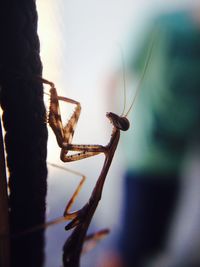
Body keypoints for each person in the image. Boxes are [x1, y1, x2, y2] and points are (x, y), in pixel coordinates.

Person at [98, 7, 200, 267]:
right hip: (143, 159)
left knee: (149, 249)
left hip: (176, 164)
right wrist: (109, 119)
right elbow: (115, 75)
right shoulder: (162, 25)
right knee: (128, 250)